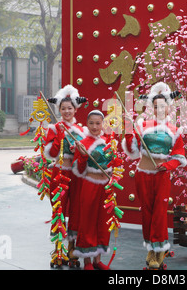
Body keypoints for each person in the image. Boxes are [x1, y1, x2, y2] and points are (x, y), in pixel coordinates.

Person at [121, 82, 186, 269]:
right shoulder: (142, 125)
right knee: (147, 213)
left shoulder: (174, 130)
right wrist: (128, 129)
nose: (159, 109)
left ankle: (159, 251)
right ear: (152, 107)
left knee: (159, 213)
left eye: (163, 106)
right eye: (156, 106)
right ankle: (152, 248)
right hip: (143, 174)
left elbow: (179, 155)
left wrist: (167, 166)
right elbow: (133, 150)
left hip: (161, 176)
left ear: (168, 107)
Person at [44, 84, 86, 262]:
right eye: (63, 108)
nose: (67, 111)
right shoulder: (54, 128)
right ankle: (57, 249)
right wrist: (60, 137)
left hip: (76, 175)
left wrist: (78, 149)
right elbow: (51, 154)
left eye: (70, 108)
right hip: (59, 173)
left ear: (75, 110)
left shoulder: (81, 131)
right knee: (58, 209)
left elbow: (85, 157)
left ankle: (72, 248)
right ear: (59, 110)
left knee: (76, 211)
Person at [72, 110, 113, 270]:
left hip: (106, 188)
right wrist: (82, 156)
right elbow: (79, 170)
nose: (95, 126)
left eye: (98, 123)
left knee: (103, 223)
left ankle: (98, 259)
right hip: (89, 186)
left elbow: (114, 164)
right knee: (87, 222)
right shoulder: (82, 143)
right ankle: (87, 261)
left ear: (103, 124)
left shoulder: (108, 141)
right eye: (91, 123)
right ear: (87, 124)